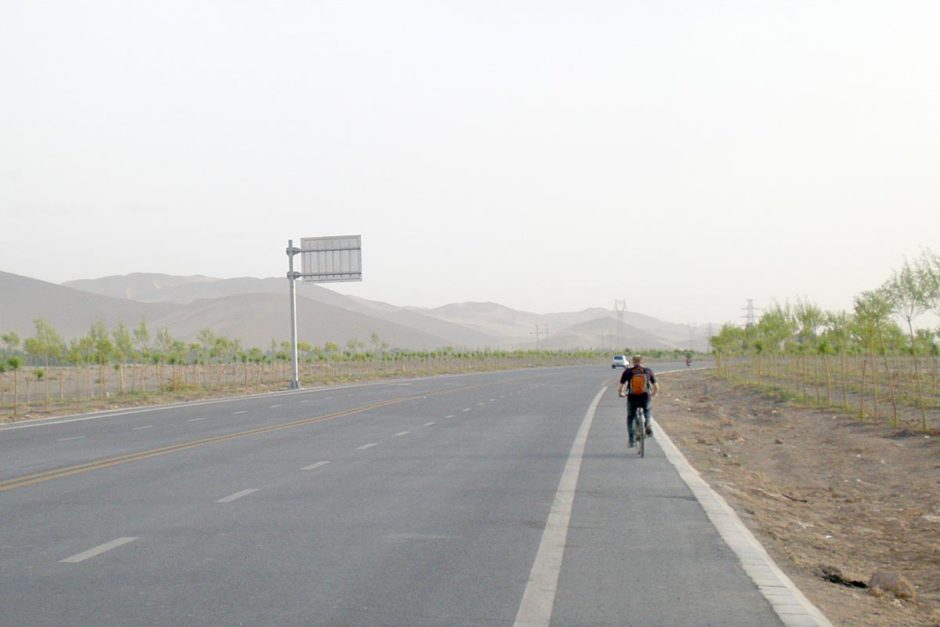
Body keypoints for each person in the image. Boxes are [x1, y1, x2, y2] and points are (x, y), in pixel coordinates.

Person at [618, 354, 658, 447]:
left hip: (632, 398)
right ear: (642, 361)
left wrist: (621, 393)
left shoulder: (627, 372)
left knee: (630, 417)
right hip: (645, 397)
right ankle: (647, 423)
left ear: (633, 361)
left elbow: (620, 387)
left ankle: (632, 440)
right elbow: (656, 387)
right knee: (647, 411)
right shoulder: (648, 371)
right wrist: (653, 394)